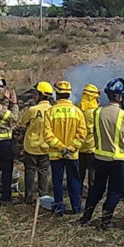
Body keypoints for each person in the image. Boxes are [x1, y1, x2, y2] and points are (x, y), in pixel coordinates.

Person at [79, 78, 124, 230]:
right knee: (114, 191)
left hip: (100, 158)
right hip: (119, 160)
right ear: (120, 96)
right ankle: (106, 220)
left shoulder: (98, 112)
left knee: (96, 188)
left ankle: (86, 217)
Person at [43, 80, 87, 216]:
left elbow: (47, 134)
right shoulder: (77, 112)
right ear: (69, 94)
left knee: (57, 181)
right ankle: (76, 208)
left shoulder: (50, 112)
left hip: (56, 154)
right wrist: (71, 148)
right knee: (74, 180)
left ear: (57, 94)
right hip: (72, 154)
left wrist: (61, 147)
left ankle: (59, 209)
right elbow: (82, 133)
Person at [20, 81, 53, 204]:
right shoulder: (52, 110)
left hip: (31, 147)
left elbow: (22, 122)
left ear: (41, 95)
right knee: (43, 172)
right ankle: (43, 197)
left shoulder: (33, 110)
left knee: (30, 171)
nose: (34, 95)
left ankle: (28, 198)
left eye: (36, 93)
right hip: (46, 147)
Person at [78, 83, 100, 192]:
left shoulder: (78, 109)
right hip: (92, 148)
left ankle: (78, 191)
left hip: (79, 147)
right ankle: (92, 192)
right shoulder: (96, 112)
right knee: (92, 173)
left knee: (79, 173)